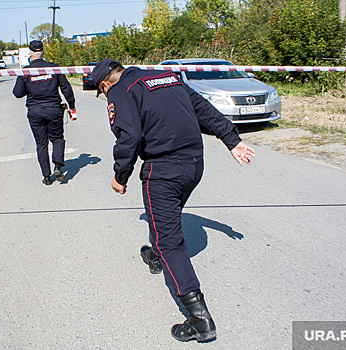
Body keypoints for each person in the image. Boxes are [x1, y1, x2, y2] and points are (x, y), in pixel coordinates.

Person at [91, 59, 255, 342]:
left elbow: (129, 138)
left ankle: (199, 319)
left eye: (103, 92)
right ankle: (156, 255)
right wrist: (233, 140)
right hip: (194, 165)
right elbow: (204, 110)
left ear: (105, 85)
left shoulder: (121, 90)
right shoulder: (166, 76)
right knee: (163, 219)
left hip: (163, 171)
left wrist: (121, 176)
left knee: (170, 239)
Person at [12, 40, 76, 186]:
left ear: (30, 53)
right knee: (57, 139)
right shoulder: (53, 68)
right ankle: (58, 166)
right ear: (43, 52)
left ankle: (47, 177)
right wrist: (72, 105)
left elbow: (17, 93)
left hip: (35, 111)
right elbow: (66, 88)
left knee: (41, 144)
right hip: (54, 109)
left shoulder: (26, 71)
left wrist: (28, 83)